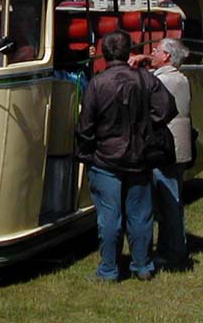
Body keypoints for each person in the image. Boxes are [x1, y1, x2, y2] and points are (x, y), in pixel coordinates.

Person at [76, 30, 177, 282]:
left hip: (105, 157)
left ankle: (109, 269)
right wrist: (144, 124)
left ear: (105, 53)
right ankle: (142, 265)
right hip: (139, 155)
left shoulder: (98, 83)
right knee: (140, 215)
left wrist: (85, 153)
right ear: (128, 51)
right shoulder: (144, 78)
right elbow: (167, 108)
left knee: (109, 216)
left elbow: (85, 125)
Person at [128, 38, 191, 271]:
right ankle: (172, 247)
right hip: (179, 147)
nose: (152, 53)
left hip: (164, 149)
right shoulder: (180, 77)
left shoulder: (163, 80)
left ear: (166, 56)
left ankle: (172, 250)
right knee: (172, 199)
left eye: (156, 51)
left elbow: (145, 93)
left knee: (168, 202)